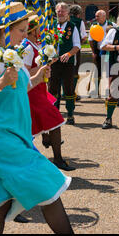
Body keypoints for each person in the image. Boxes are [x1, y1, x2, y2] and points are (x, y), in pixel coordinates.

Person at [0, 2, 74, 234]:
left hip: (5, 138)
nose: (25, 35)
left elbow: (15, 89)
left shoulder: (6, 54)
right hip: (0, 140)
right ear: (5, 29)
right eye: (21, 30)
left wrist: (36, 78)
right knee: (48, 187)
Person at [23, 14, 75, 171]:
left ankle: (49, 146)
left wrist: (46, 63)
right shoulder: (27, 47)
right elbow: (24, 73)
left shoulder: (34, 45)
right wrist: (43, 66)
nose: (40, 30)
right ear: (33, 31)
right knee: (55, 121)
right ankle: (57, 158)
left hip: (39, 90)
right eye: (38, 28)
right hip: (32, 92)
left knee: (46, 124)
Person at [49, 2, 81, 125]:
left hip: (67, 63)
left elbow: (77, 45)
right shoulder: (51, 26)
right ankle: (55, 114)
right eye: (58, 11)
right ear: (55, 12)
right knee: (53, 88)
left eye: (63, 11)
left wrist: (68, 54)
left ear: (67, 13)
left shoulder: (72, 26)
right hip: (53, 62)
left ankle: (70, 114)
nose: (60, 13)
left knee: (68, 89)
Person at [88, 10, 116, 95]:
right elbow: (90, 40)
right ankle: (96, 90)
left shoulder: (112, 25)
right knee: (97, 71)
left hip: (109, 52)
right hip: (98, 51)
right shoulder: (94, 26)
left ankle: (110, 90)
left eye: (98, 16)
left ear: (104, 16)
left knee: (110, 71)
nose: (96, 18)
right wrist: (93, 52)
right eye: (96, 16)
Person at [69, 4, 87, 101]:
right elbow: (84, 36)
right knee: (74, 71)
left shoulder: (65, 20)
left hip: (63, 48)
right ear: (78, 13)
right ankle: (72, 92)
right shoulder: (80, 22)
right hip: (75, 49)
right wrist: (79, 42)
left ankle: (64, 91)